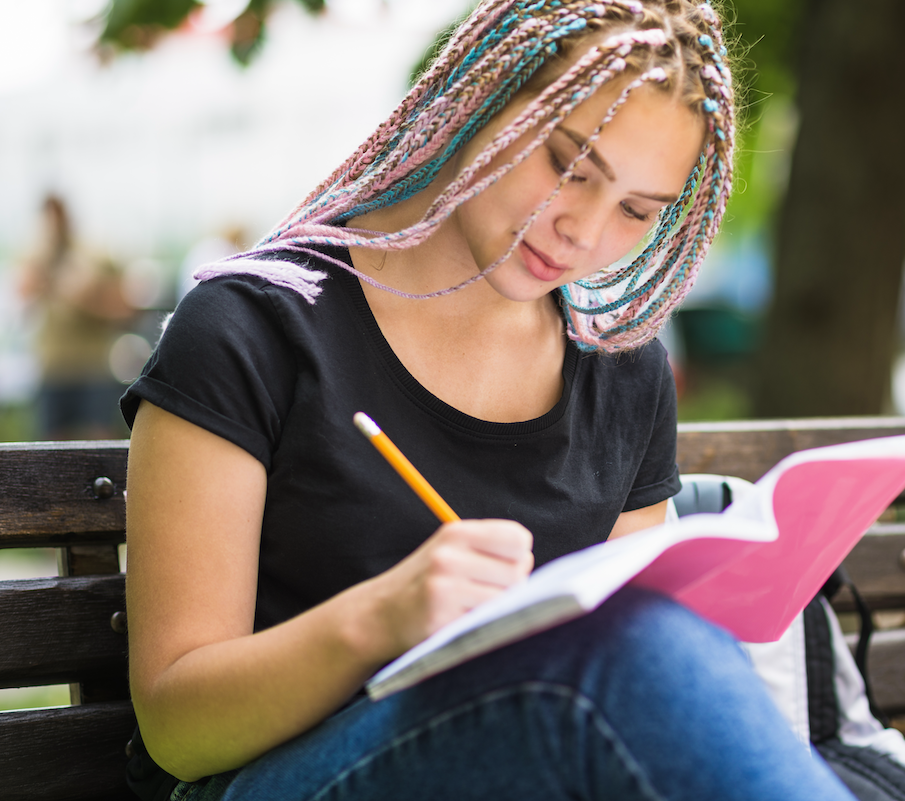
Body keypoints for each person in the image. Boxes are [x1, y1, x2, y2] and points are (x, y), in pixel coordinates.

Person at [120, 2, 856, 800]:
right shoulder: (251, 330)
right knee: (620, 660)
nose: (585, 231)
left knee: (649, 643)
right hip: (282, 779)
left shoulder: (621, 371)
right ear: (482, 95)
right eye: (571, 165)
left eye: (638, 212)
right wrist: (382, 619)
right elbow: (175, 726)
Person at [17, 194, 133, 439]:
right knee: (51, 452)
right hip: (53, 367)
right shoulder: (36, 257)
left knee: (99, 445)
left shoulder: (95, 256)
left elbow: (124, 308)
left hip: (92, 366)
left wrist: (85, 297)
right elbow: (21, 300)